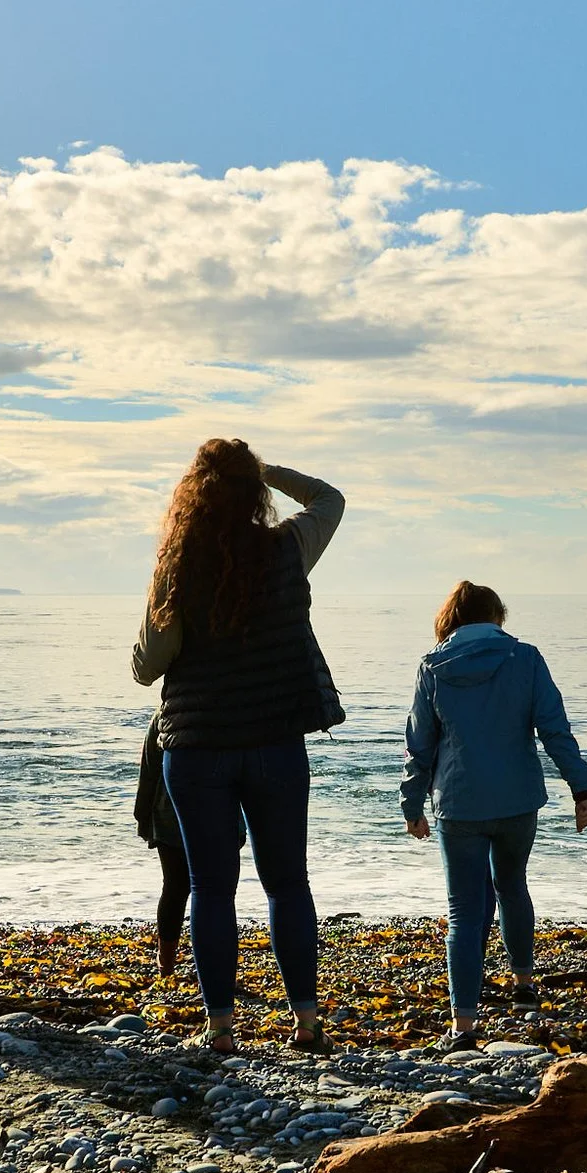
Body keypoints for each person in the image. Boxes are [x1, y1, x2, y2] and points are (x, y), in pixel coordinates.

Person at [130, 439, 345, 1054]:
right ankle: (305, 1021)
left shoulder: (176, 567)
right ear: (256, 495)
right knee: (287, 884)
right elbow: (330, 498)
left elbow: (149, 666)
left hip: (197, 747)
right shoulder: (287, 549)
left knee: (211, 887)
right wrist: (266, 471)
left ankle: (220, 1028)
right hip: (275, 741)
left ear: (192, 496)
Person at [397, 581, 587, 1048]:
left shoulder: (433, 666)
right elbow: (555, 730)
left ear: (450, 619)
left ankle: (463, 1025)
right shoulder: (524, 659)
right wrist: (580, 789)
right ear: (497, 615)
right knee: (512, 886)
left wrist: (411, 804)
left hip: (459, 803)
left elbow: (418, 745)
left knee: (465, 912)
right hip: (517, 801)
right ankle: (524, 986)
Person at [131, 718, 191, 979]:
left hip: (169, 813)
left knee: (175, 888)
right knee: (217, 892)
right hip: (219, 816)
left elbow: (149, 769)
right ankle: (215, 965)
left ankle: (165, 964)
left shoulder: (165, 714)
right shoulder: (229, 708)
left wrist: (142, 817)